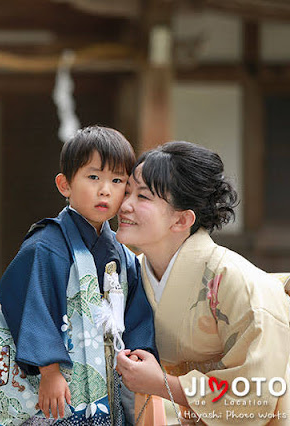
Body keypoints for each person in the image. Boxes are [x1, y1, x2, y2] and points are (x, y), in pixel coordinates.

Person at [0, 126, 158, 426]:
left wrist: (140, 356)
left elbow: (138, 315)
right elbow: (30, 308)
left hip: (107, 379)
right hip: (56, 380)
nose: (105, 190)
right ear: (65, 185)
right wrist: (49, 371)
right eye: (94, 177)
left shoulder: (123, 255)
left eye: (117, 181)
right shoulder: (45, 247)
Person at [115, 141, 290, 425]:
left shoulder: (237, 282)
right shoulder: (131, 272)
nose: (124, 205)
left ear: (182, 220)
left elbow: (257, 395)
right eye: (127, 192)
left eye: (143, 197)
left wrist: (162, 384)